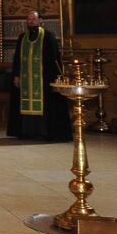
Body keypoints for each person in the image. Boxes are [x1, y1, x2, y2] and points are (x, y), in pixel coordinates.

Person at [8, 11, 69, 141]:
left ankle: (43, 132)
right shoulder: (22, 37)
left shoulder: (48, 37)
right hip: (25, 80)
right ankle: (27, 131)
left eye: (33, 19)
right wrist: (16, 75)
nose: (31, 21)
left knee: (46, 106)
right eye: (28, 19)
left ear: (40, 21)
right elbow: (17, 59)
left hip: (43, 79)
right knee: (24, 104)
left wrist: (54, 77)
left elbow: (54, 59)